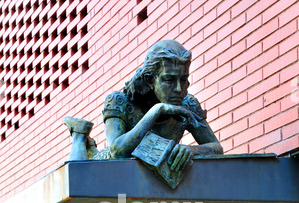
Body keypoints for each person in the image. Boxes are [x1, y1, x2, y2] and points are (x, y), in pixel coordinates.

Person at [94, 39, 223, 172]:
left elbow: (216, 148)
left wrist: (192, 150)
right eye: (169, 80)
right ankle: (80, 136)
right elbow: (117, 153)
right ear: (150, 80)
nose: (179, 88)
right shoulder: (120, 101)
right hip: (107, 176)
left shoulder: (187, 104)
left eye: (183, 79)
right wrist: (156, 111)